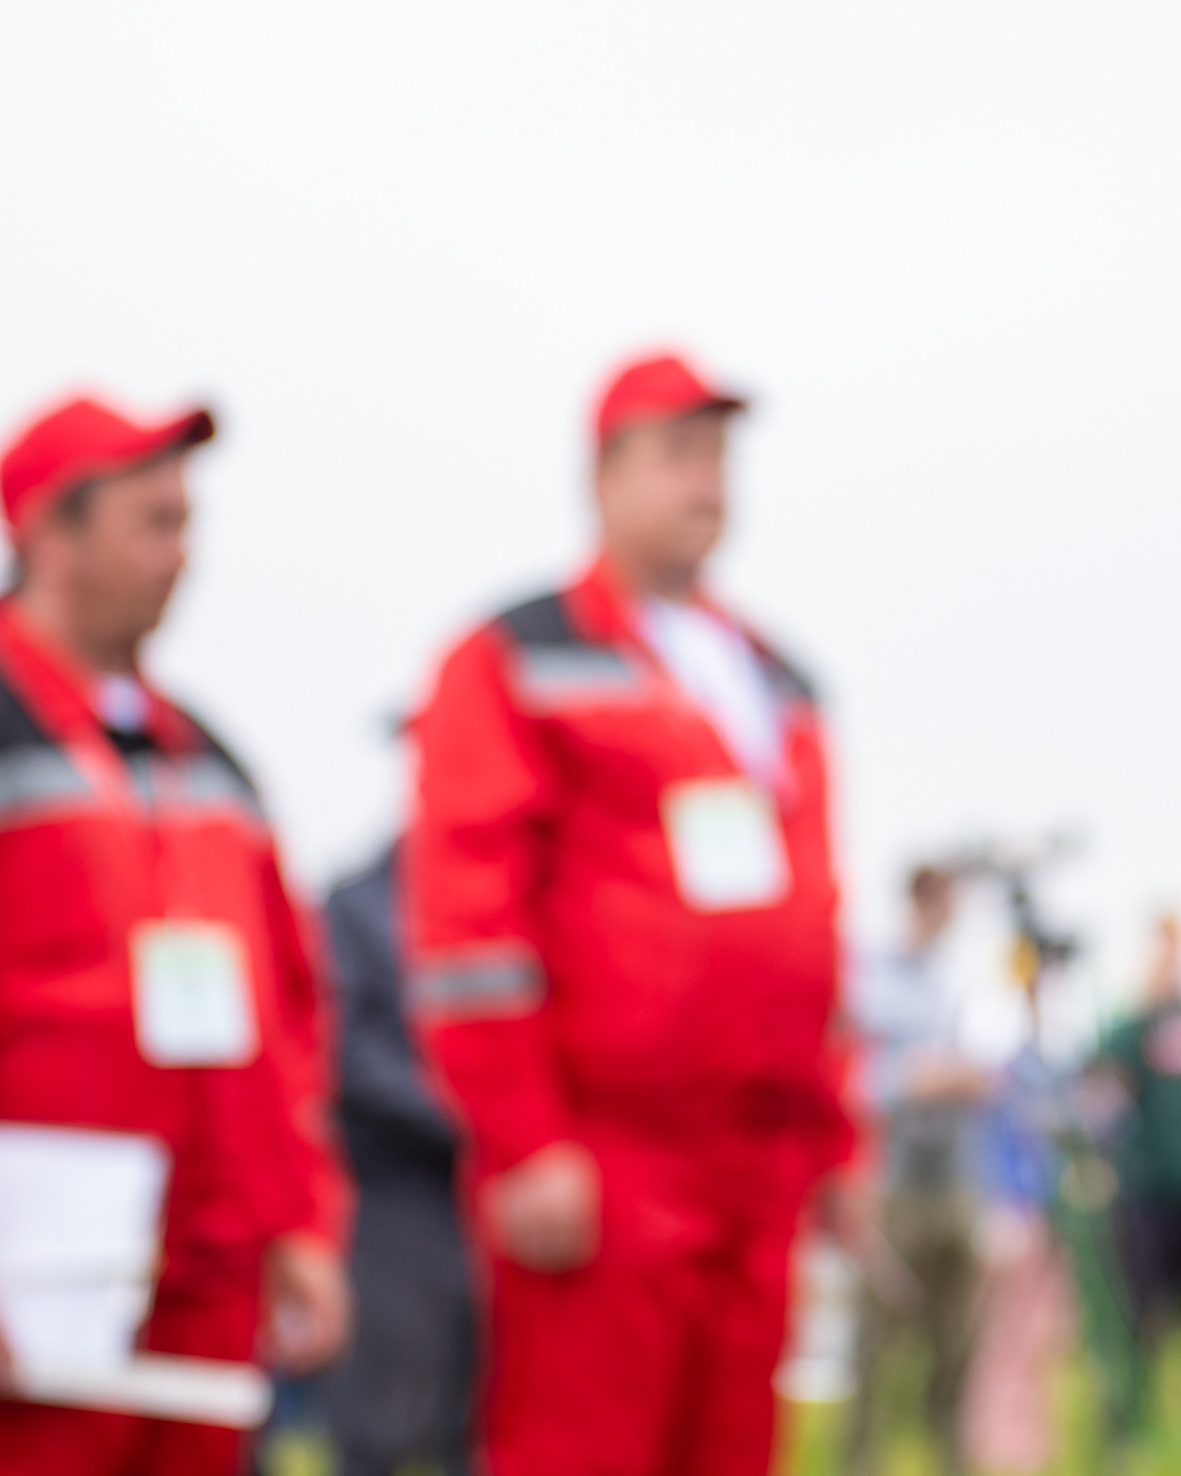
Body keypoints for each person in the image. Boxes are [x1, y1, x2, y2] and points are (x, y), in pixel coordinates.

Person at [0, 395, 351, 1475]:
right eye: (155, 521)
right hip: (17, 1302)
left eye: (187, 522)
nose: (184, 556)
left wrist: (302, 1225)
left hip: (202, 1291)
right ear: (47, 534)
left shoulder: (214, 768)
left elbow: (286, 1020)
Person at [405, 351, 851, 1476]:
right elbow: (466, 921)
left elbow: (813, 925)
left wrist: (835, 1137)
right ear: (601, 477)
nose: (705, 480)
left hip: (756, 1160)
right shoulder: (512, 656)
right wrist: (524, 1139)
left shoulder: (777, 677)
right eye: (675, 452)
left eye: (718, 455)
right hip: (606, 1157)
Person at [319, 839, 475, 1476]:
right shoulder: (357, 906)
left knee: (481, 1427)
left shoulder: (503, 893)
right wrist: (478, 1115)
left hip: (494, 1199)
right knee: (382, 1427)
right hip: (396, 1199)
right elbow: (345, 1051)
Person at [845, 865, 988, 1476]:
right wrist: (912, 1081)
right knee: (876, 1345)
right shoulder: (867, 976)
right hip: (890, 1186)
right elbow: (847, 1076)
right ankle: (860, 1462)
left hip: (953, 1181)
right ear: (921, 899)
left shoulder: (948, 981)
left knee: (957, 1342)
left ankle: (953, 1459)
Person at [1096, 917, 1181, 1397]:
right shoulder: (1133, 1026)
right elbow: (1106, 1084)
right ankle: (1138, 1411)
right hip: (1149, 1195)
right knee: (1145, 1314)